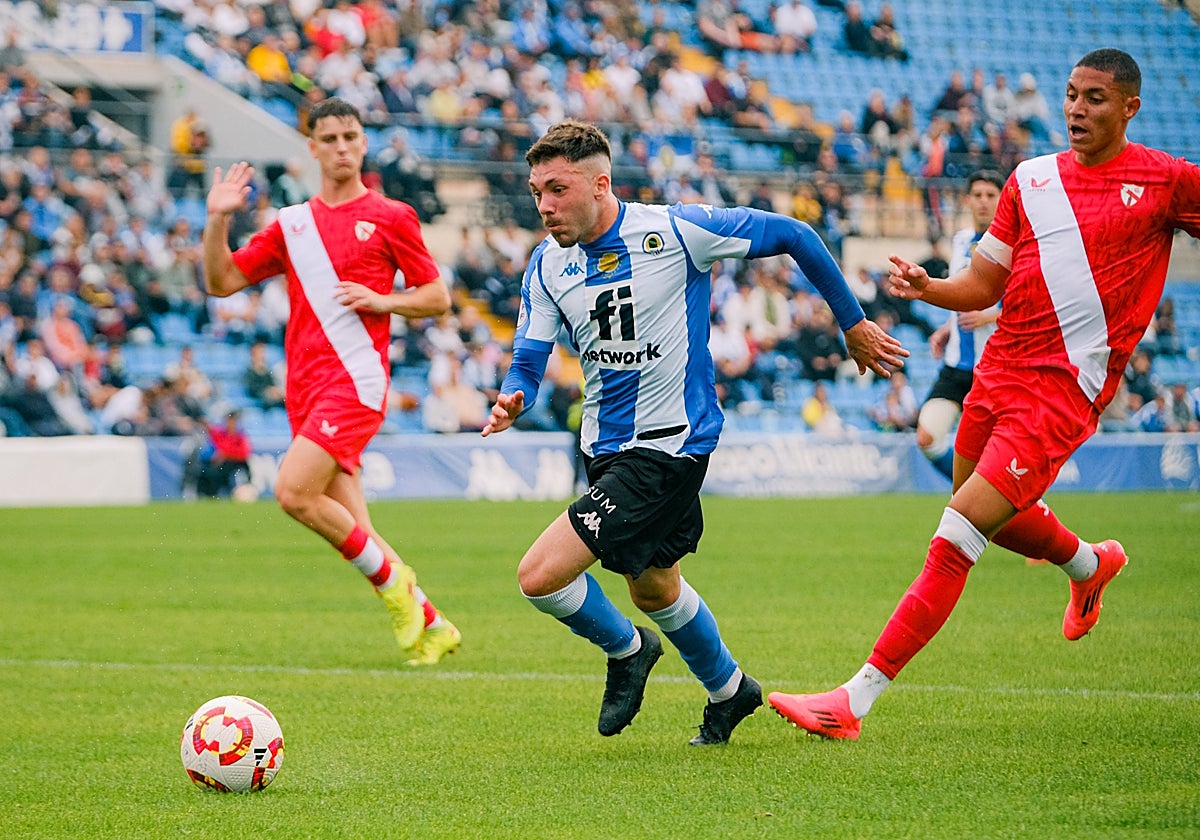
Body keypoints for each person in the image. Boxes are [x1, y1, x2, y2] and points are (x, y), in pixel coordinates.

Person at [769, 49, 1200, 740]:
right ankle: (1090, 565)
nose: (1076, 109)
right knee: (985, 517)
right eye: (1069, 95)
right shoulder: (1030, 180)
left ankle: (853, 699)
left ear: (1129, 108)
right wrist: (927, 288)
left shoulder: (1168, 181)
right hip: (995, 373)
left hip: (1060, 394)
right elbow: (983, 285)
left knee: (956, 534)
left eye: (1094, 97)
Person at [480, 119, 905, 745]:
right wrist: (517, 395)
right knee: (654, 586)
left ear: (601, 184)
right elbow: (528, 356)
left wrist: (852, 322)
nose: (544, 206)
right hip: (603, 447)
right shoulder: (547, 264)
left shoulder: (676, 231)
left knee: (540, 576)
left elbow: (793, 233)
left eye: (558, 189)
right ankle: (731, 691)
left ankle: (627, 651)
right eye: (537, 191)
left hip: (670, 445)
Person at [201, 97, 461, 666]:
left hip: (357, 383)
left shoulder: (393, 216)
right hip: (305, 389)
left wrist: (381, 299)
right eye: (331, 138)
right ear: (312, 147)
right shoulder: (292, 225)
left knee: (293, 493)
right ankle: (433, 623)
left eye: (351, 136)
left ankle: (396, 586)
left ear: (362, 142)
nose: (343, 146)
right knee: (358, 529)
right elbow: (221, 281)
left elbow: (438, 297)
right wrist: (219, 216)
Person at [915, 169, 1004, 479]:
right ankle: (974, 496)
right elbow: (960, 292)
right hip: (957, 366)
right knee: (926, 437)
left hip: (995, 369)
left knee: (997, 455)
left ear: (1001, 199)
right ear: (967, 200)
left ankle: (985, 505)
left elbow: (1031, 307)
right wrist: (948, 328)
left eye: (990, 195)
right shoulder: (961, 240)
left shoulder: (1015, 245)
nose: (983, 202)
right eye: (977, 195)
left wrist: (988, 316)